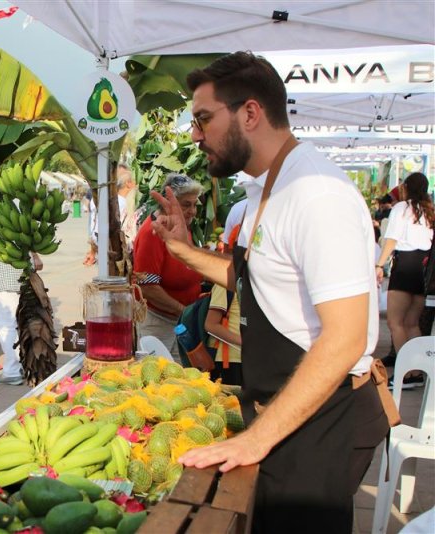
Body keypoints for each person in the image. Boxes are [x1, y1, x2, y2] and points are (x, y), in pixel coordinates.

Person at [148, 51, 387, 534]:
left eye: (203, 119)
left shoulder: (315, 194)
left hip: (319, 421)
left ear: (250, 113)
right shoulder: (269, 189)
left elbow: (344, 339)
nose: (196, 135)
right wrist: (182, 250)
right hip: (287, 417)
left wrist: (256, 441)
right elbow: (257, 279)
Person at [133, 173, 204, 352]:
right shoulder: (152, 233)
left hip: (178, 321)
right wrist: (183, 311)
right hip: (159, 324)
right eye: (186, 204)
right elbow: (147, 286)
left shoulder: (179, 227)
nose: (193, 211)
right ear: (168, 203)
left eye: (195, 204)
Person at [375, 172, 433, 388]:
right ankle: (418, 371)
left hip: (405, 264)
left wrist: (379, 264)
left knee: (395, 322)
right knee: (412, 324)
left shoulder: (401, 208)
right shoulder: (429, 210)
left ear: (407, 187)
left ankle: (406, 373)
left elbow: (392, 240)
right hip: (423, 267)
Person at [0, 225, 42, 386]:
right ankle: (24, 366)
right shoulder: (17, 204)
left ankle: (12, 370)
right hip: (15, 273)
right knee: (16, 323)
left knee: (5, 325)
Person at [83, 164, 135, 266]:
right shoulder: (120, 204)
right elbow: (98, 228)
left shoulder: (117, 202)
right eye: (135, 183)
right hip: (114, 258)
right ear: (128, 183)